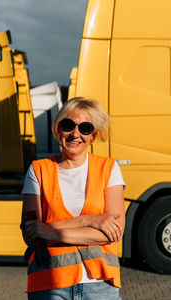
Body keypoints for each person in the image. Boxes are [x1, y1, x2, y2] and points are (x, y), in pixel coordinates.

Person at [21, 97, 125, 300]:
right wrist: (90, 220)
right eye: (68, 125)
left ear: (93, 135)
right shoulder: (38, 170)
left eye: (85, 128)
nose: (75, 134)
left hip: (101, 286)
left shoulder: (109, 169)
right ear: (58, 129)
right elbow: (31, 232)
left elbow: (114, 232)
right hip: (50, 283)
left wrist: (50, 232)